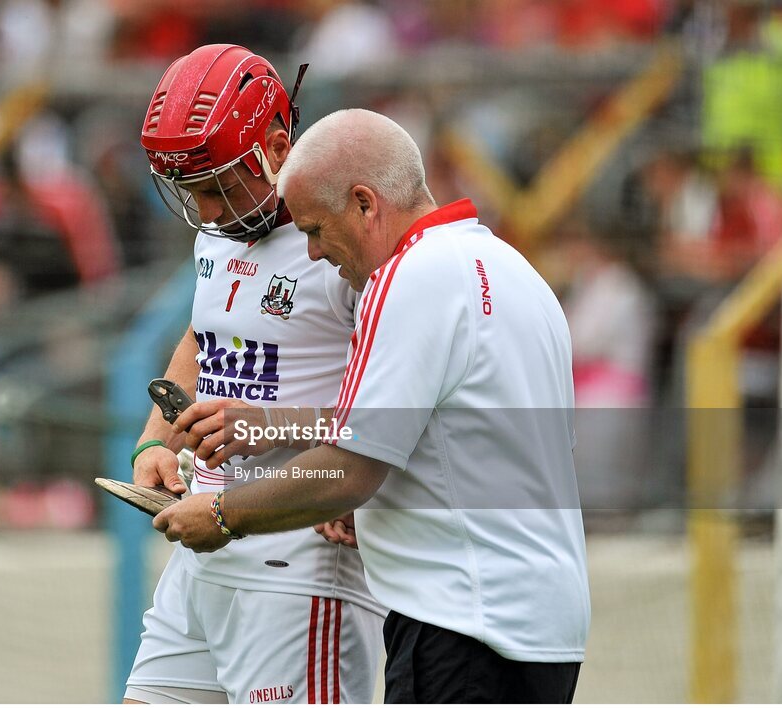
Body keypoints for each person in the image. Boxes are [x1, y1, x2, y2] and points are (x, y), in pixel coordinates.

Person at [157, 109, 591, 703]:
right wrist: (272, 425)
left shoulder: (405, 279)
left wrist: (225, 515)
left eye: (314, 228)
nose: (311, 253)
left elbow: (350, 467)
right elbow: (441, 430)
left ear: (364, 203)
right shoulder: (514, 272)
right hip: (541, 626)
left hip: (461, 622)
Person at [123, 46, 384, 704]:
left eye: (218, 187)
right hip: (202, 541)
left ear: (275, 144)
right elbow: (202, 334)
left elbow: (394, 389)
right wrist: (159, 440)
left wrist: (360, 487)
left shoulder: (345, 238)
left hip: (300, 560)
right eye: (193, 190)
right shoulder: (219, 232)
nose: (206, 211)